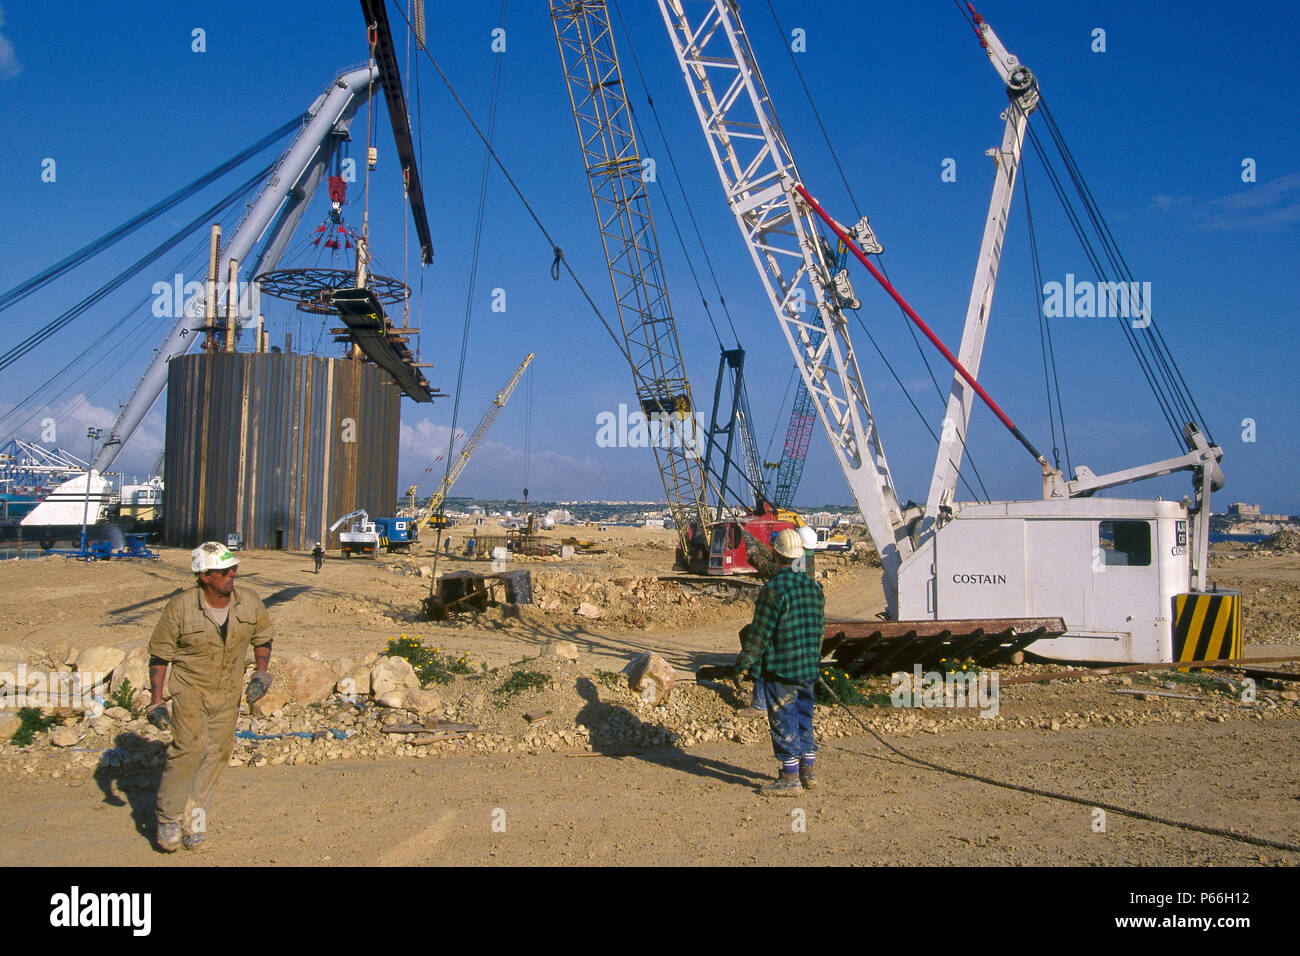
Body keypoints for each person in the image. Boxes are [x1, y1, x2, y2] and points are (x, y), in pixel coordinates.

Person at [146, 542, 273, 852]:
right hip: (191, 690)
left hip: (228, 692)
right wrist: (156, 699)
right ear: (204, 576)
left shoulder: (249, 603)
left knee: (216, 756)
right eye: (224, 571)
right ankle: (169, 818)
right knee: (188, 751)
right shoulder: (181, 608)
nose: (232, 575)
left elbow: (263, 637)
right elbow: (160, 656)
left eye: (234, 569)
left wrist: (261, 672)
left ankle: (196, 823)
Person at [733, 527, 824, 794]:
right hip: (808, 668)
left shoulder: (774, 589)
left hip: (782, 669)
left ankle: (790, 777)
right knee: (805, 717)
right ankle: (809, 771)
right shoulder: (813, 586)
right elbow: (818, 630)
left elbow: (760, 634)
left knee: (783, 719)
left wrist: (743, 665)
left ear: (775, 552)